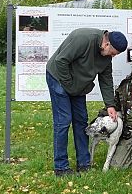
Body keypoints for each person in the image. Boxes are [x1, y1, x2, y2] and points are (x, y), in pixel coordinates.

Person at [46, 28, 127, 176]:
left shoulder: (106, 56)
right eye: (113, 53)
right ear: (106, 43)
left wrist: (110, 105)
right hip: (58, 77)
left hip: (78, 85)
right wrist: (69, 86)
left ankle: (84, 163)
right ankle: (61, 167)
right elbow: (61, 61)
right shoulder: (83, 39)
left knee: (81, 121)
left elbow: (106, 79)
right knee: (63, 121)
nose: (113, 57)